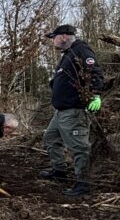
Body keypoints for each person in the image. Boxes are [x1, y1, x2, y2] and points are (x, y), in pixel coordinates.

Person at [42, 24, 104, 196]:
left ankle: (84, 184)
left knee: (79, 147)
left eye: (53, 37)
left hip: (74, 111)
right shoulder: (68, 55)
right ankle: (59, 171)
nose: (52, 41)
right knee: (50, 138)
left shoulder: (81, 50)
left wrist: (96, 94)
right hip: (60, 111)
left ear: (63, 37)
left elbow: (95, 72)